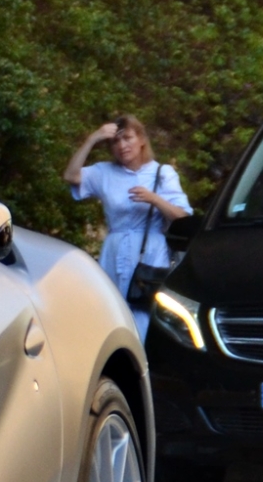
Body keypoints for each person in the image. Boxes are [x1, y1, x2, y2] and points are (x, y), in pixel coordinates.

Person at [65, 116, 191, 330]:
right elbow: (71, 176)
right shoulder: (104, 172)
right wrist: (93, 138)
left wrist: (155, 199)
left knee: (145, 315)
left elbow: (183, 218)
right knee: (112, 314)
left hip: (151, 253)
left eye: (128, 138)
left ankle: (145, 361)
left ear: (141, 139)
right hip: (115, 252)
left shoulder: (162, 173)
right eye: (116, 142)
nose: (122, 146)